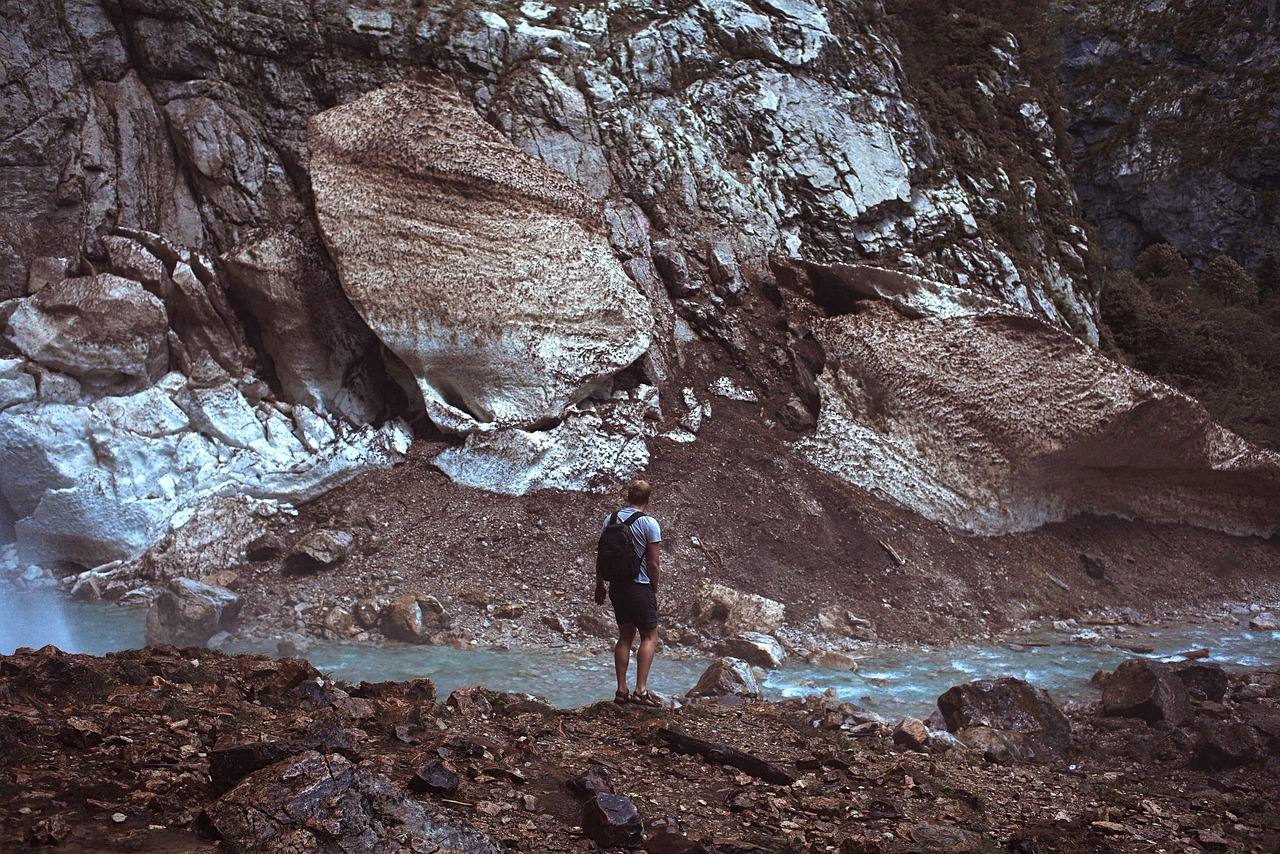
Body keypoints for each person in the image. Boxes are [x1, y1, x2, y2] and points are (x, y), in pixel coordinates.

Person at [595, 478, 663, 706]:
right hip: (640, 586)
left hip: (617, 586)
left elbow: (601, 555)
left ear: (628, 496)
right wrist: (654, 590)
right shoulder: (649, 523)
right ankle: (640, 691)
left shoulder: (610, 519)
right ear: (648, 499)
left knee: (624, 637)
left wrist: (599, 584)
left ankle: (621, 691)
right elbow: (653, 563)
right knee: (649, 636)